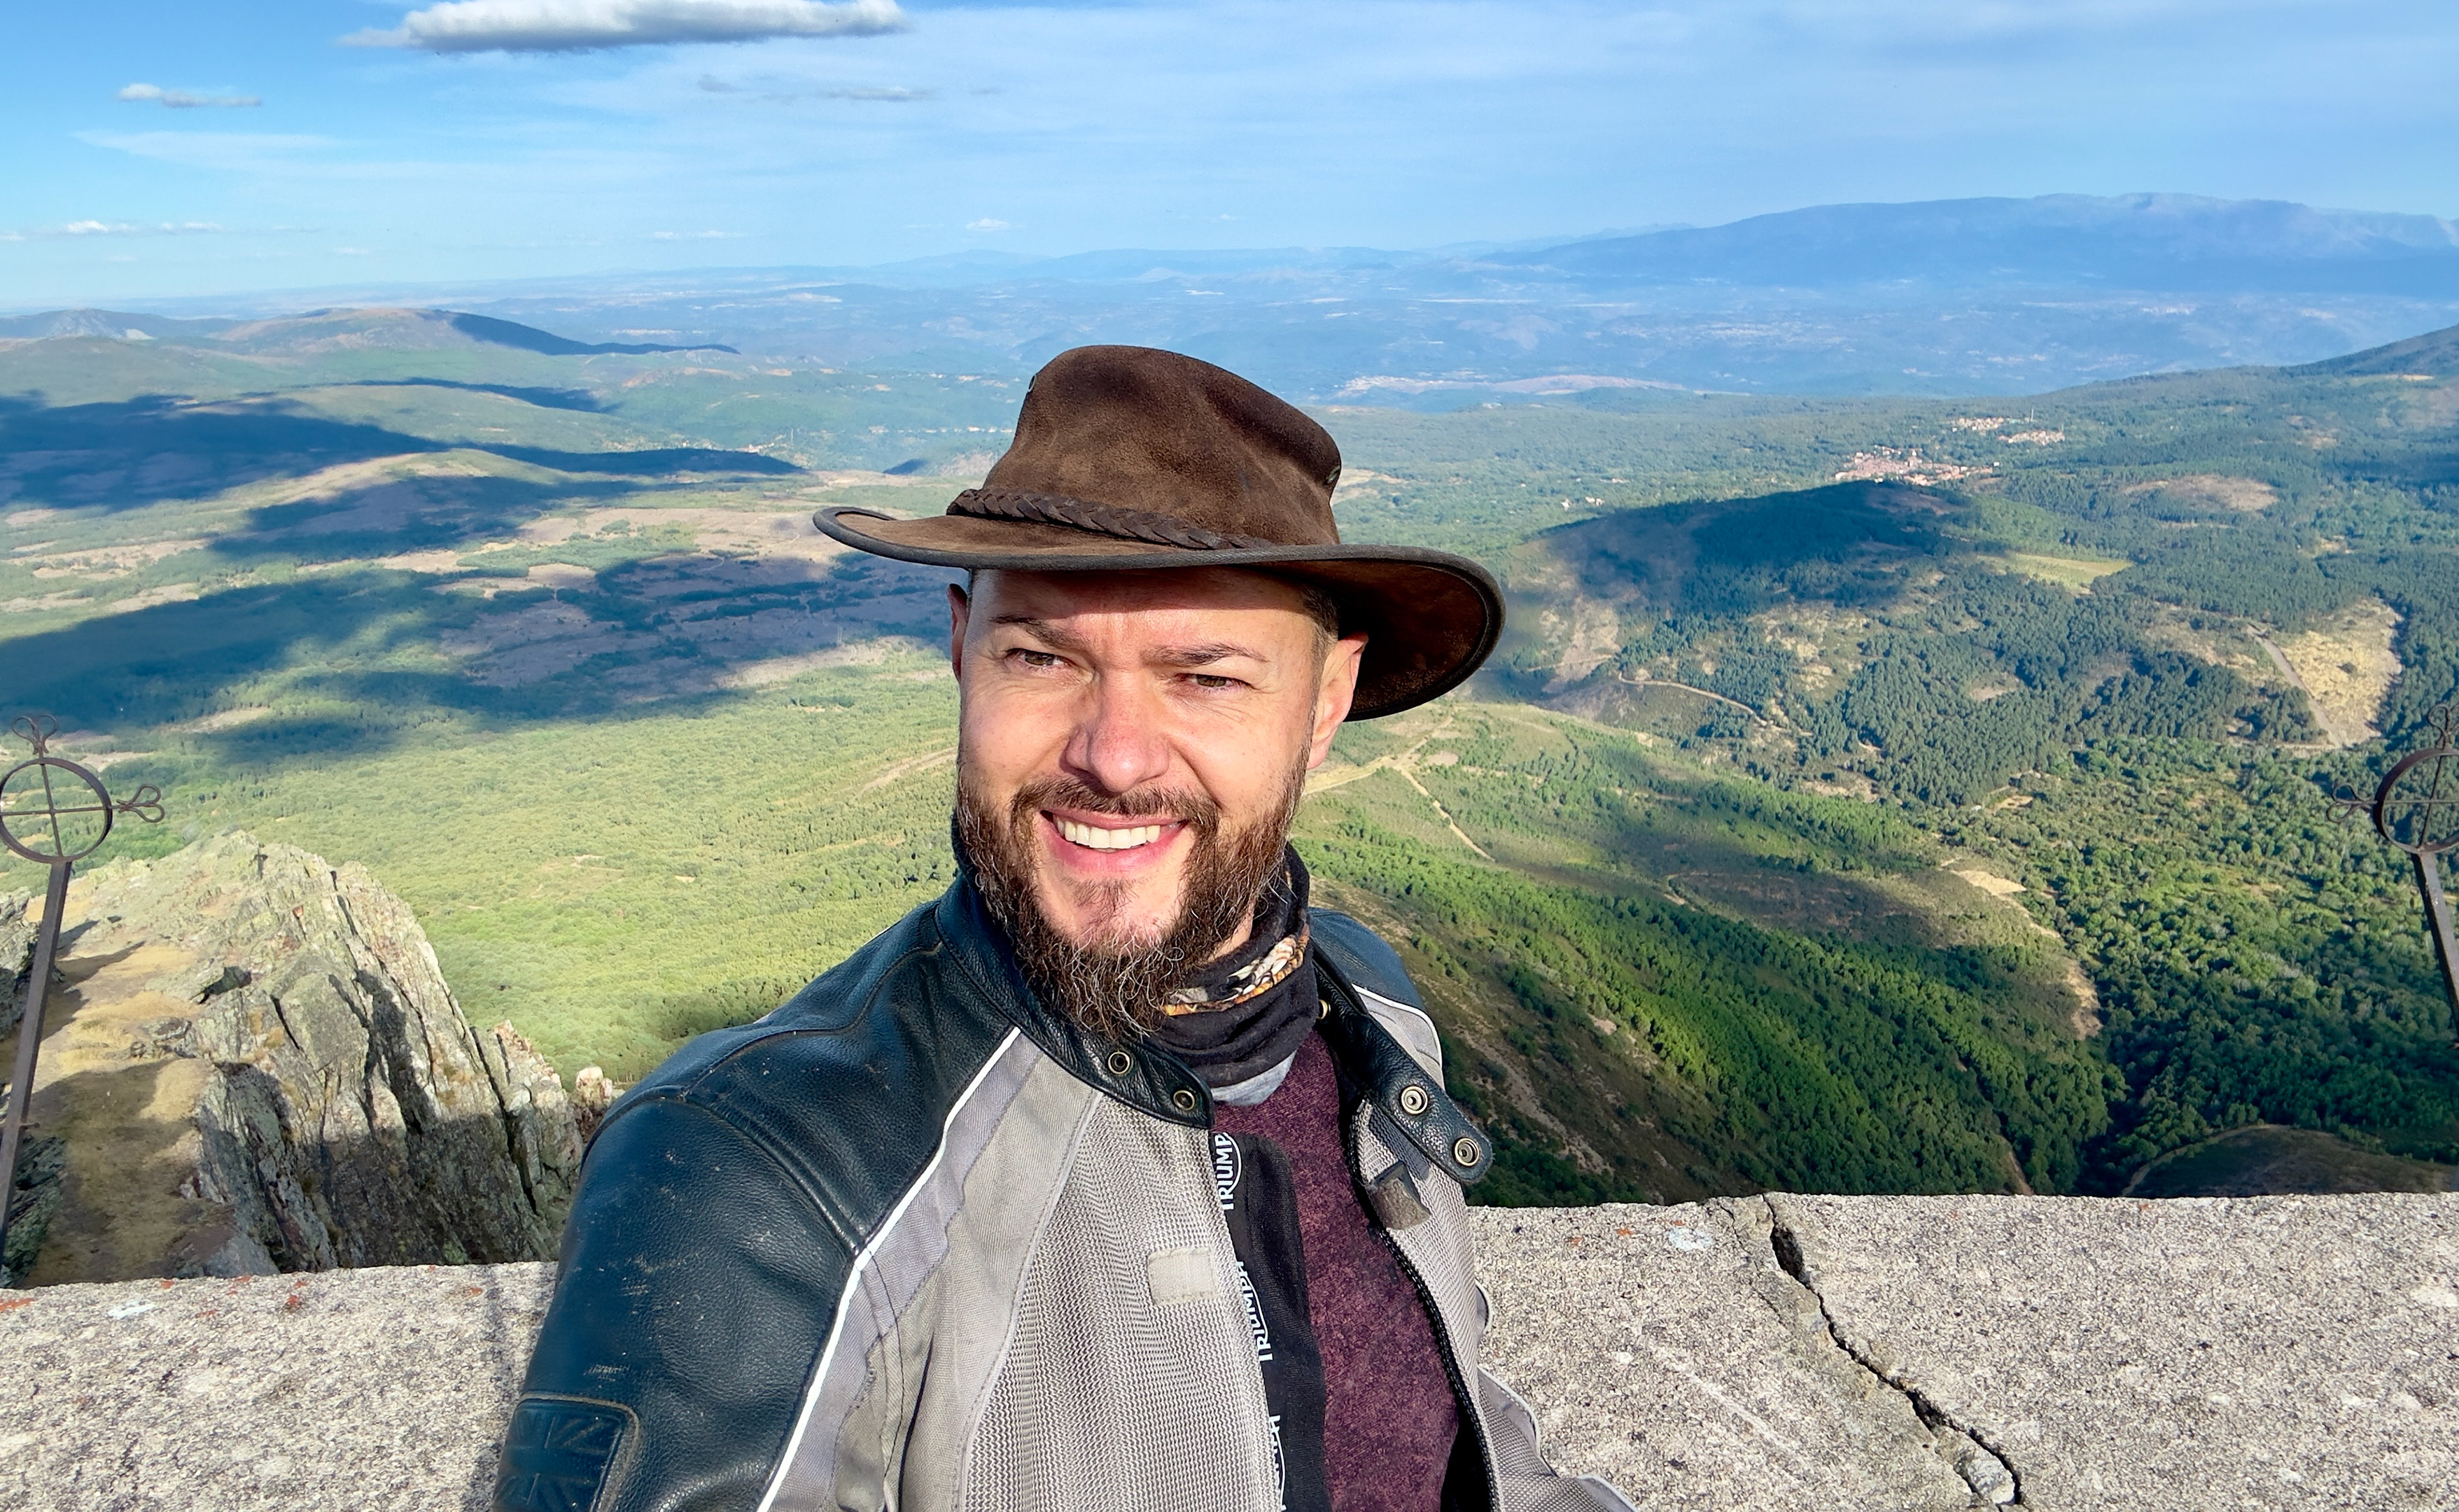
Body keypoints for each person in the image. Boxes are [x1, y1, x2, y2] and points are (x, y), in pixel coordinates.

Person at [493, 346, 1634, 1512]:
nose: (1113, 756)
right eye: (1041, 657)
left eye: (1205, 677)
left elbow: (1461, 1430)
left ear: (1327, 702)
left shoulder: (1365, 1001)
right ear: (961, 649)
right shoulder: (755, 1170)